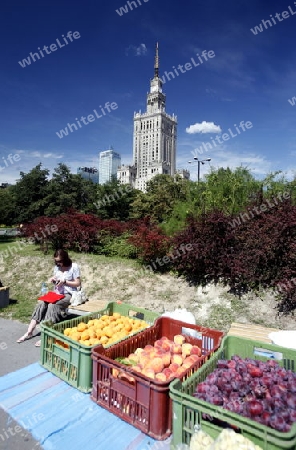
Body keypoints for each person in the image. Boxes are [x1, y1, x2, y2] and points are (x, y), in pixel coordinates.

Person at [17, 249, 81, 347]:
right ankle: (29, 331)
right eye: (56, 261)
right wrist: (53, 279)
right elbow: (56, 278)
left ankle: (46, 335)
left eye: (59, 261)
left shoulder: (74, 267)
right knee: (41, 303)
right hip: (57, 293)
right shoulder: (57, 267)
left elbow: (77, 283)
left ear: (65, 259)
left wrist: (65, 281)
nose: (58, 263)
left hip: (69, 294)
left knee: (52, 306)